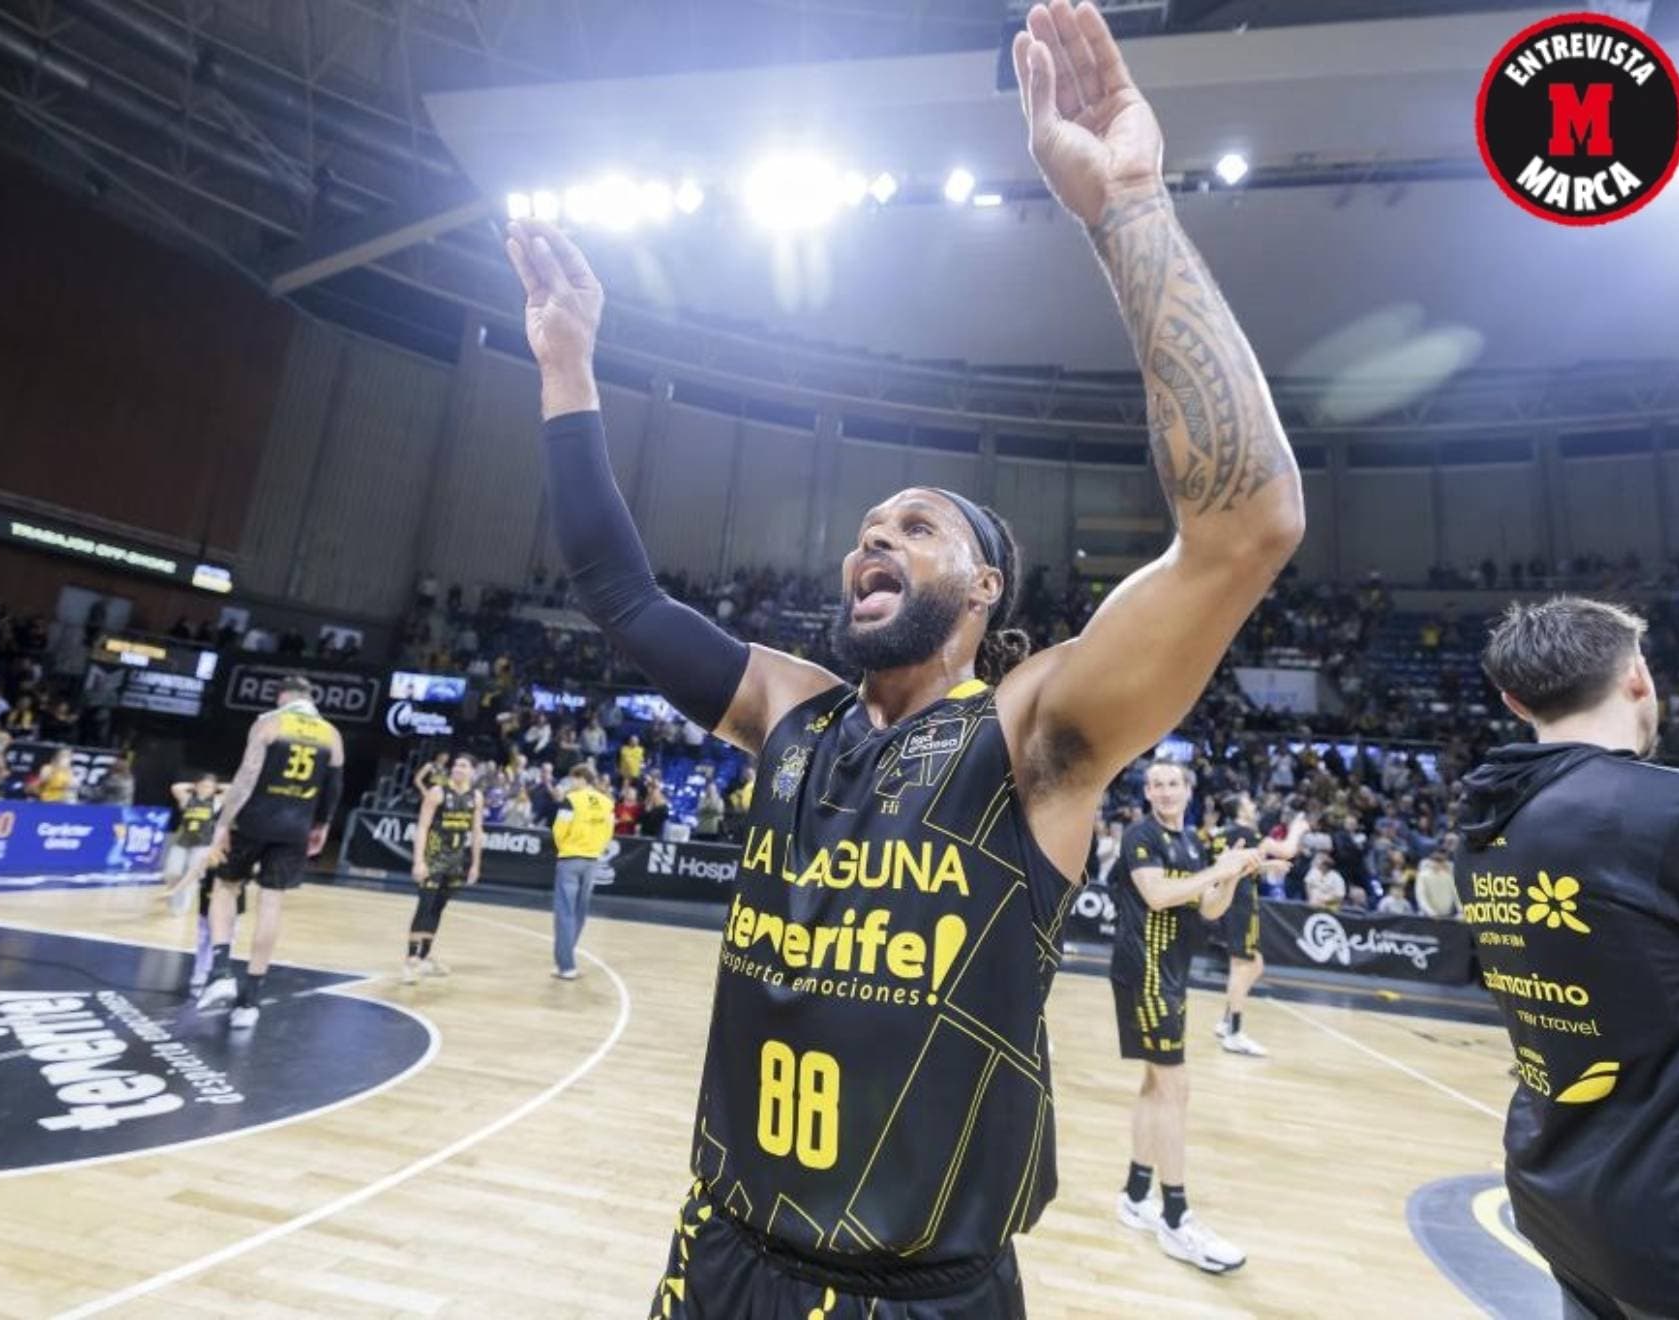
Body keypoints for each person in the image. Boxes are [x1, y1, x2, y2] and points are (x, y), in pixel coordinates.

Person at [506, 0, 1302, 1304]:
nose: (873, 541)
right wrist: (568, 370)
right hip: (717, 1260)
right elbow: (617, 589)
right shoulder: (793, 709)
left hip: (917, 1290)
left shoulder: (1031, 737)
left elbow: (1248, 525)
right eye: (867, 529)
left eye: (917, 529)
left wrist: (1129, 208)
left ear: (985, 587)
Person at [1457, 597, 1679, 1318]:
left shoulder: (1483, 828)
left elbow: (1656, 957)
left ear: (1515, 700)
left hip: (1570, 1203)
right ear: (1638, 676)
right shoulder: (1678, 812)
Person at [1108, 760, 1260, 1272]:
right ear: (1147, 792)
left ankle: (1134, 1195)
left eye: (1174, 783)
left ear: (1188, 790)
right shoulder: (1140, 837)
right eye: (1156, 783)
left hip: (1172, 975)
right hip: (1143, 972)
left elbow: (1209, 910)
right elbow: (1157, 895)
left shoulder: (1193, 843)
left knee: (1156, 1087)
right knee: (1176, 1088)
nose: (1165, 790)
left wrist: (1233, 876)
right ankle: (1175, 1218)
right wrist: (1218, 869)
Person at [197, 675, 345, 1028]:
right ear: (311, 699)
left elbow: (247, 776)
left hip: (253, 821)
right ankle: (250, 1002)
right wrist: (321, 826)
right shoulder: (332, 734)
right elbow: (334, 787)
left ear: (283, 696)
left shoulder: (270, 722)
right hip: (296, 827)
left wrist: (222, 823)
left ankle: (220, 973)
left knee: (225, 888)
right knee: (271, 904)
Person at [1205, 792, 1304, 1058]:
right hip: (1240, 902)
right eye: (1249, 802)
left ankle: (1227, 1022)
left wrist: (1269, 865)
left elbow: (1236, 867)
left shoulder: (1226, 833)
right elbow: (1288, 849)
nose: (1254, 805)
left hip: (1228, 900)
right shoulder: (1246, 831)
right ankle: (1234, 1033)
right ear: (1240, 810)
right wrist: (1297, 829)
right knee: (1243, 965)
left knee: (1254, 964)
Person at [405, 751, 484, 983]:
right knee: (425, 906)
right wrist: (418, 860)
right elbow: (422, 827)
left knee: (438, 908)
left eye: (463, 765)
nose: (457, 769)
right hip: (434, 858)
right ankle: (410, 960)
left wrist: (475, 864)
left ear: (473, 771)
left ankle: (425, 956)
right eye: (456, 765)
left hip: (456, 861)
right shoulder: (437, 792)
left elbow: (477, 832)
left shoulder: (476, 797)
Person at [549, 763, 614, 980]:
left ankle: (566, 966)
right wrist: (595, 849)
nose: (571, 783)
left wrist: (565, 847)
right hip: (592, 860)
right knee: (579, 913)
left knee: (565, 913)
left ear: (580, 778)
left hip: (570, 858)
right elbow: (608, 831)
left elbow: (559, 830)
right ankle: (564, 960)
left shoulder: (571, 799)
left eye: (573, 779)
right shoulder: (606, 802)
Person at [161, 774, 222, 915]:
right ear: (196, 786)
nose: (205, 789)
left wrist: (217, 786)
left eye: (209, 787)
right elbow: (175, 787)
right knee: (172, 872)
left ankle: (181, 907)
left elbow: (232, 789)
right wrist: (193, 785)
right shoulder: (187, 799)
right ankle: (172, 894)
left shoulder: (216, 801)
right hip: (183, 841)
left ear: (214, 789)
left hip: (203, 843)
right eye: (202, 785)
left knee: (191, 875)